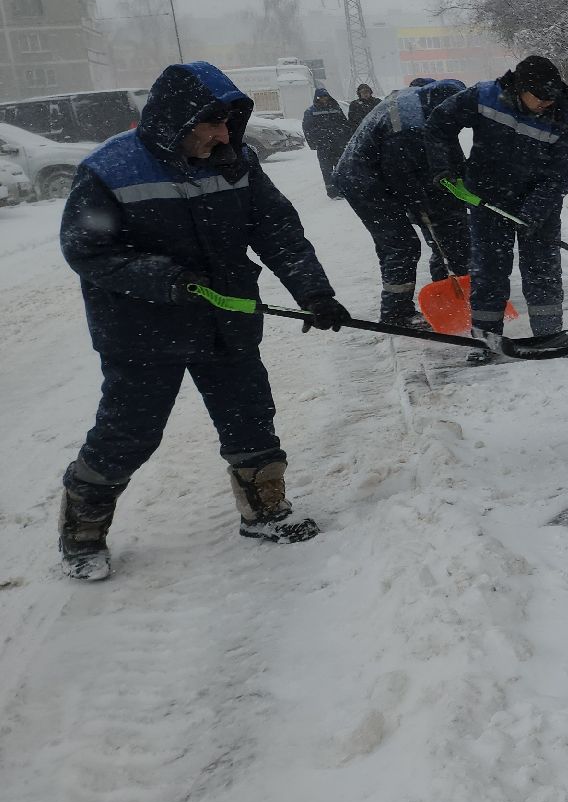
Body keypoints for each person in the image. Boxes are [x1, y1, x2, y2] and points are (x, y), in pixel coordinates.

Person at [55, 61, 351, 581]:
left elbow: (278, 230)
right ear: (174, 120)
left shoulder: (235, 162)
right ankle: (82, 531)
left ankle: (264, 513)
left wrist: (315, 292)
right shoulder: (111, 168)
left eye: (228, 124)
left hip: (225, 322)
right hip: (140, 331)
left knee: (250, 417)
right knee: (129, 432)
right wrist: (163, 278)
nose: (221, 135)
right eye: (210, 124)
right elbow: (86, 249)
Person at [425, 55, 568, 364]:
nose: (547, 103)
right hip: (487, 198)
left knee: (542, 270)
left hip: (539, 203)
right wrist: (446, 168)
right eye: (541, 97)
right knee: (489, 271)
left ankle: (548, 334)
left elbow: (559, 177)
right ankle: (484, 340)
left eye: (552, 96)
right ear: (520, 88)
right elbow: (439, 124)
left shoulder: (561, 119)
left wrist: (534, 212)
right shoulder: (484, 96)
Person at [332, 79, 472, 328]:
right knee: (400, 245)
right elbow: (405, 177)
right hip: (363, 182)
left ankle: (443, 290)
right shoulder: (408, 125)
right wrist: (425, 209)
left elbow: (447, 152)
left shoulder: (422, 103)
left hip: (375, 174)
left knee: (436, 227)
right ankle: (396, 314)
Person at [301, 87, 353, 199]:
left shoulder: (336, 108)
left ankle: (342, 189)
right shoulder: (311, 111)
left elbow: (344, 124)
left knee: (340, 167)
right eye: (321, 97)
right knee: (326, 169)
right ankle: (332, 192)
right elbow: (307, 129)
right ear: (317, 98)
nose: (324, 99)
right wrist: (316, 142)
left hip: (338, 144)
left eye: (325, 96)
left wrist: (345, 138)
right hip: (323, 146)